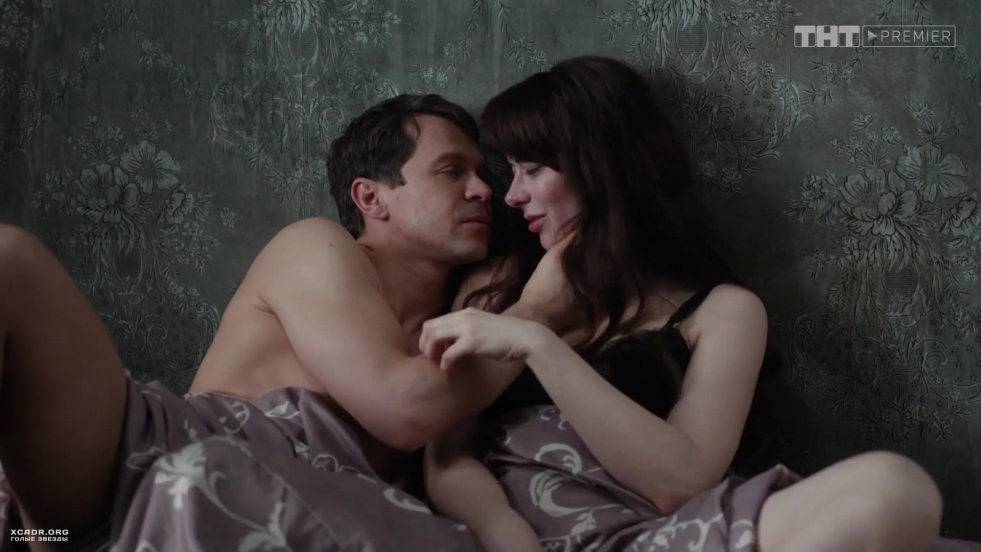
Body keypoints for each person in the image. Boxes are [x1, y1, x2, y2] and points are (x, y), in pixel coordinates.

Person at [421, 55, 948, 552]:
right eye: (511, 171)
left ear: (601, 169)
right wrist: (503, 531)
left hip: (666, 534)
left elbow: (682, 482)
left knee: (895, 488)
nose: (511, 195)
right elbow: (444, 452)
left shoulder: (722, 311)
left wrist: (539, 345)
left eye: (533, 169)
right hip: (534, 533)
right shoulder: (497, 286)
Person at [0, 94, 564, 550]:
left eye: (482, 173)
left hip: (284, 521)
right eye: (451, 171)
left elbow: (449, 456)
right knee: (11, 262)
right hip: (143, 466)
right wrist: (536, 313)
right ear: (371, 198)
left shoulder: (468, 315)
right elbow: (405, 409)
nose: (483, 189)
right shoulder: (317, 247)